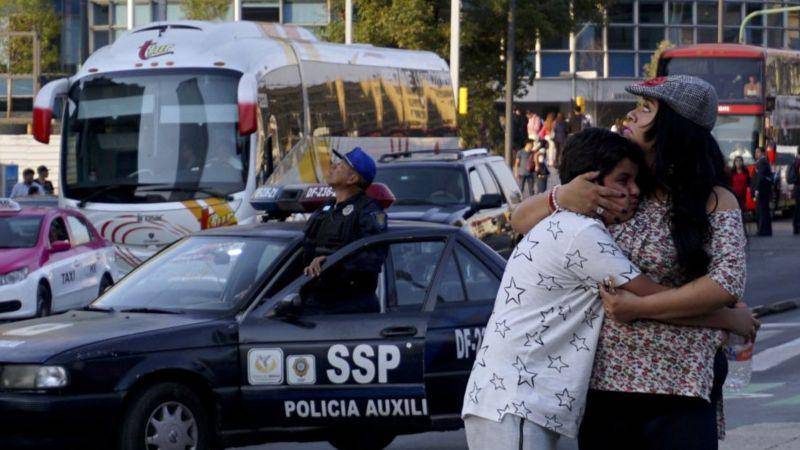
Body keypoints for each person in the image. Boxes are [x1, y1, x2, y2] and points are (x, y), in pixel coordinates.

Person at [461, 128, 757, 450]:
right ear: (589, 184)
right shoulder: (582, 234)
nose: (633, 192)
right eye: (623, 180)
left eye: (636, 182)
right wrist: (727, 319)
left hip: (528, 401)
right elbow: (654, 298)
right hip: (517, 402)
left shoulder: (570, 224)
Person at [301, 147, 388, 314]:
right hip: (317, 300)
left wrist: (332, 261)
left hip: (349, 308)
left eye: (340, 165)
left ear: (352, 178)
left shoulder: (367, 211)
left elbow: (373, 257)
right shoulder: (327, 207)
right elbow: (303, 250)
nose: (332, 167)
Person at [752, 146, 773, 236]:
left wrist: (756, 189)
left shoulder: (762, 162)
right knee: (764, 210)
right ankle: (766, 230)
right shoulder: (763, 162)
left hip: (762, 190)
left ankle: (762, 230)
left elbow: (760, 177)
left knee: (761, 210)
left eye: (758, 152)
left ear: (762, 153)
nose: (756, 154)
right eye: (756, 152)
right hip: (764, 190)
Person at [790, 148, 800, 234]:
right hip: (799, 187)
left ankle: (796, 227)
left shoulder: (795, 161)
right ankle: (797, 226)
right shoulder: (798, 162)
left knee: (797, 208)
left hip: (796, 187)